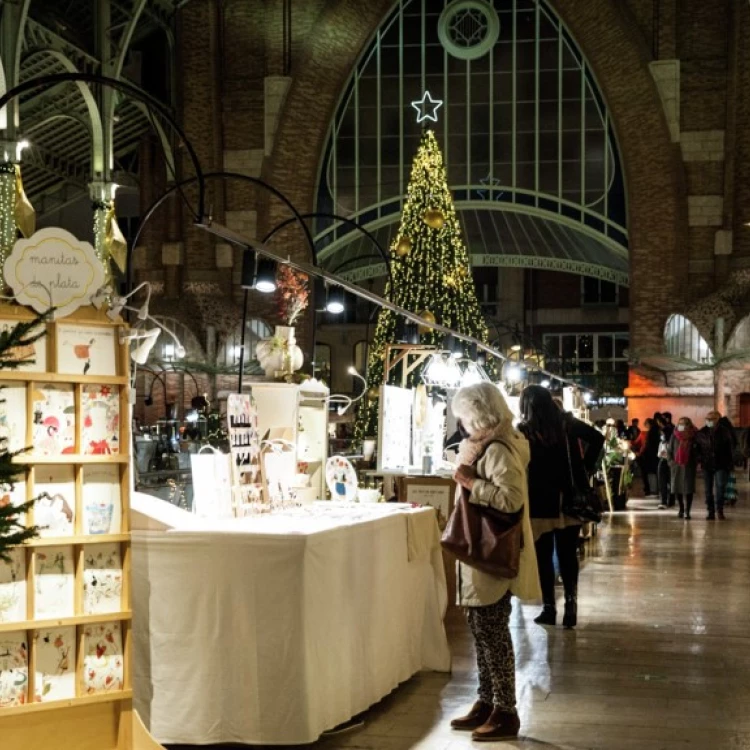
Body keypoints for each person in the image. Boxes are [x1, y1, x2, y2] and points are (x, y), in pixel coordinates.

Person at [449, 382, 540, 742]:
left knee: (493, 632)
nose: (462, 424)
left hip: (490, 553)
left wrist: (472, 484)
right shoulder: (487, 445)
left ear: (478, 414)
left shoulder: (498, 449)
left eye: (464, 416)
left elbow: (512, 500)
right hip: (481, 554)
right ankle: (487, 700)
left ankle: (506, 710)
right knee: (482, 630)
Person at [518, 385, 604, 630]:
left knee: (543, 556)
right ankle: (570, 606)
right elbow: (597, 438)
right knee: (567, 555)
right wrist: (584, 469)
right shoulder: (567, 423)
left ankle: (548, 608)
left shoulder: (525, 431)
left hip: (540, 501)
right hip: (569, 500)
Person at [696, 411, 736, 520]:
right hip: (707, 464)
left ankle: (720, 510)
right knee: (708, 490)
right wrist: (699, 460)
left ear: (717, 419)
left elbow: (730, 449)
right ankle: (710, 511)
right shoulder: (701, 432)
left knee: (720, 487)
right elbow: (697, 449)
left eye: (712, 418)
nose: (709, 420)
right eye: (708, 418)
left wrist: (730, 464)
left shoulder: (724, 432)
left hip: (721, 464)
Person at [668, 417, 698, 519]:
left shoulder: (694, 435)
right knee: (677, 488)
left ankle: (687, 511)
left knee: (689, 489)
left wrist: (696, 462)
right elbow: (669, 450)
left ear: (688, 425)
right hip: (676, 466)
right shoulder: (674, 435)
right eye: (679, 423)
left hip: (689, 466)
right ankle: (681, 508)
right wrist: (671, 462)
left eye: (683, 424)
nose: (681, 426)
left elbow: (697, 451)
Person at [639, 415, 661, 496]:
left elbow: (647, 444)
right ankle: (658, 489)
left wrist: (641, 453)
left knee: (645, 472)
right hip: (656, 455)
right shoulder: (657, 431)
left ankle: (647, 489)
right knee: (657, 473)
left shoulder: (650, 432)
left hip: (649, 456)